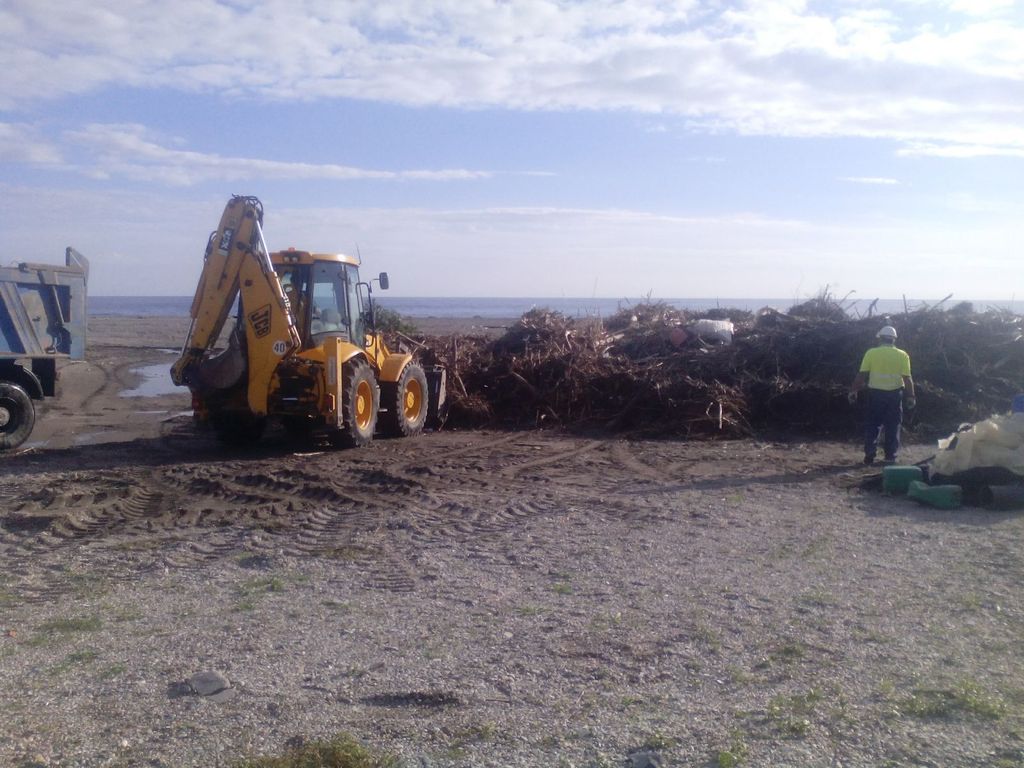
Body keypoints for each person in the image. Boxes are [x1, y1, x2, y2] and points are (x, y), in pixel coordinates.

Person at [849, 325, 916, 465]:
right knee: (893, 425)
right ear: (894, 339)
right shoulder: (902, 355)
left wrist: (853, 391)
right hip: (894, 395)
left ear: (880, 338)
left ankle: (869, 455)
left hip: (875, 394)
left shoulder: (871, 353)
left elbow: (862, 375)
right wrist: (911, 396)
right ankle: (890, 456)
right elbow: (907, 378)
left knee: (873, 424)